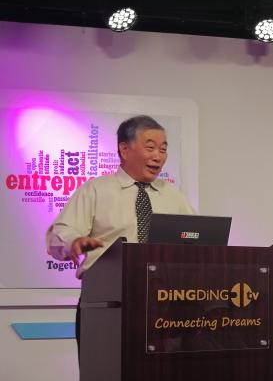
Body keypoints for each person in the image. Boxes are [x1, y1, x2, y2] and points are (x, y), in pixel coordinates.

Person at [46, 115, 195, 356]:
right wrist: (74, 242)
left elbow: (197, 238)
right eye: (150, 148)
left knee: (161, 375)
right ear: (124, 150)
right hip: (107, 301)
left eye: (163, 149)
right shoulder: (96, 190)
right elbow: (60, 233)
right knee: (106, 372)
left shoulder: (172, 196)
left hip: (164, 304)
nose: (158, 156)